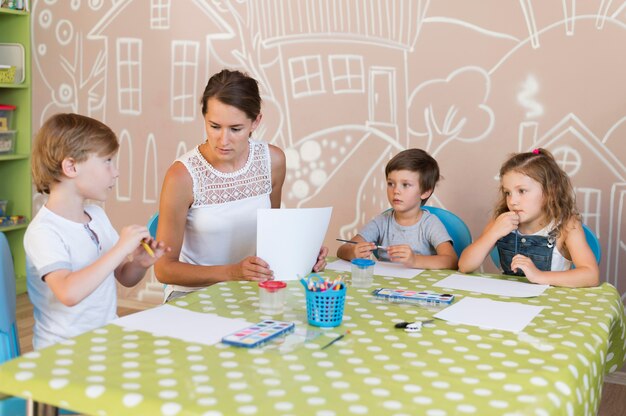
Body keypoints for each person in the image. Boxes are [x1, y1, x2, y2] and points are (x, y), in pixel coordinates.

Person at [155, 69, 327, 301]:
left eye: (235, 129)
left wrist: (304, 253)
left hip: (250, 289)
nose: (223, 140)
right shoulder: (182, 176)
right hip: (193, 294)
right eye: (214, 126)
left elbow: (270, 235)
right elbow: (163, 269)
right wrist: (232, 272)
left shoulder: (272, 161)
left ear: (255, 121)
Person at [24, 113, 167, 349]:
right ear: (71, 166)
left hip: (103, 341)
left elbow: (124, 277)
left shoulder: (97, 216)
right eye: (107, 161)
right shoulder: (44, 231)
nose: (116, 171)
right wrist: (121, 249)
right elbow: (68, 292)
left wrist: (139, 264)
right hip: (62, 351)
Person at [458, 148, 599, 287]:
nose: (512, 201)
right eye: (508, 193)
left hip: (550, 304)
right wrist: (493, 233)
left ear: (550, 190)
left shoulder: (566, 225)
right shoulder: (501, 221)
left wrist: (539, 276)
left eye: (522, 191)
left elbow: (591, 275)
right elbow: (464, 265)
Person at [337, 148, 458, 269]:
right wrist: (353, 253)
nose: (395, 191)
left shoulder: (430, 224)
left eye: (405, 185)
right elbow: (343, 250)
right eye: (391, 184)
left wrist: (414, 260)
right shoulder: (381, 222)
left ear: (425, 192)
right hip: (385, 285)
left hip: (420, 287)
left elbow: (451, 261)